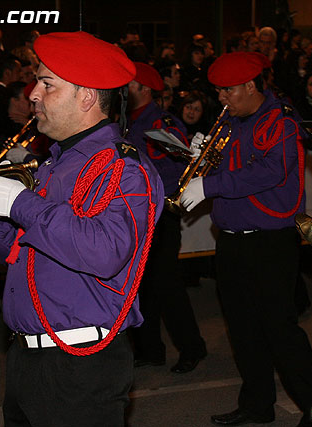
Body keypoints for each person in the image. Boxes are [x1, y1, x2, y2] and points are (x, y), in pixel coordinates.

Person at [0, 31, 163, 426]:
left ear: (86, 96)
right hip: (27, 358)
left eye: (47, 84)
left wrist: (17, 202)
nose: (33, 94)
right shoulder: (54, 164)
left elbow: (104, 252)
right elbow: (13, 252)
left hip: (79, 367)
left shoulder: (123, 168)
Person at [181, 52, 312, 427]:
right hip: (232, 238)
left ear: (251, 85)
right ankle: (257, 403)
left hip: (269, 240)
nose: (222, 98)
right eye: (219, 91)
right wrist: (202, 157)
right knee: (243, 327)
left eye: (228, 90)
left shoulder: (278, 121)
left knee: (279, 328)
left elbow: (268, 171)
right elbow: (235, 165)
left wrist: (211, 183)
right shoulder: (232, 120)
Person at [125, 61, 207, 373]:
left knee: (168, 286)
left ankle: (191, 347)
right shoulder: (123, 123)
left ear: (144, 89)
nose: (123, 90)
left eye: (129, 85)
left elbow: (176, 172)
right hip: (132, 216)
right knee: (139, 287)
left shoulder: (162, 123)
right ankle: (149, 349)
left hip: (158, 216)